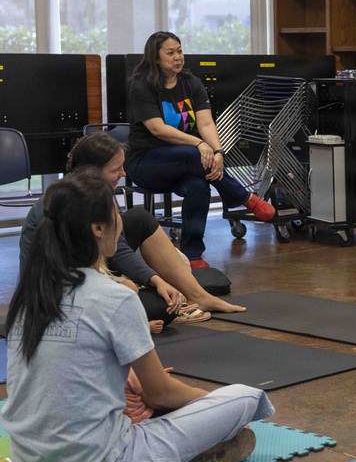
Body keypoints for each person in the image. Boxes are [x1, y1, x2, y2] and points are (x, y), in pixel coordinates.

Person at [0, 171, 274, 462]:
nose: (121, 219)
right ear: (98, 228)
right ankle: (186, 455)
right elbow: (159, 394)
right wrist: (211, 406)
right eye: (115, 211)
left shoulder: (30, 292)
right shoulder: (115, 298)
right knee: (245, 398)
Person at [19, 133, 246, 321]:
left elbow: (118, 247)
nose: (124, 174)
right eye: (116, 169)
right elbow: (66, 273)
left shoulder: (99, 192)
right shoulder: (65, 202)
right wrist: (118, 285)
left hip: (88, 273)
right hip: (58, 291)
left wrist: (155, 280)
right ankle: (166, 299)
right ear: (91, 171)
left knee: (139, 218)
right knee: (161, 307)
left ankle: (197, 294)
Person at [125, 31, 275, 267]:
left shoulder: (191, 83)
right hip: (146, 162)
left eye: (180, 51)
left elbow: (205, 123)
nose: (178, 57)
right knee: (193, 153)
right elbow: (157, 129)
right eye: (170, 53)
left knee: (199, 186)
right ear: (156, 57)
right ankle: (243, 196)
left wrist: (217, 152)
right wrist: (198, 143)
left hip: (185, 163)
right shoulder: (142, 86)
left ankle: (192, 255)